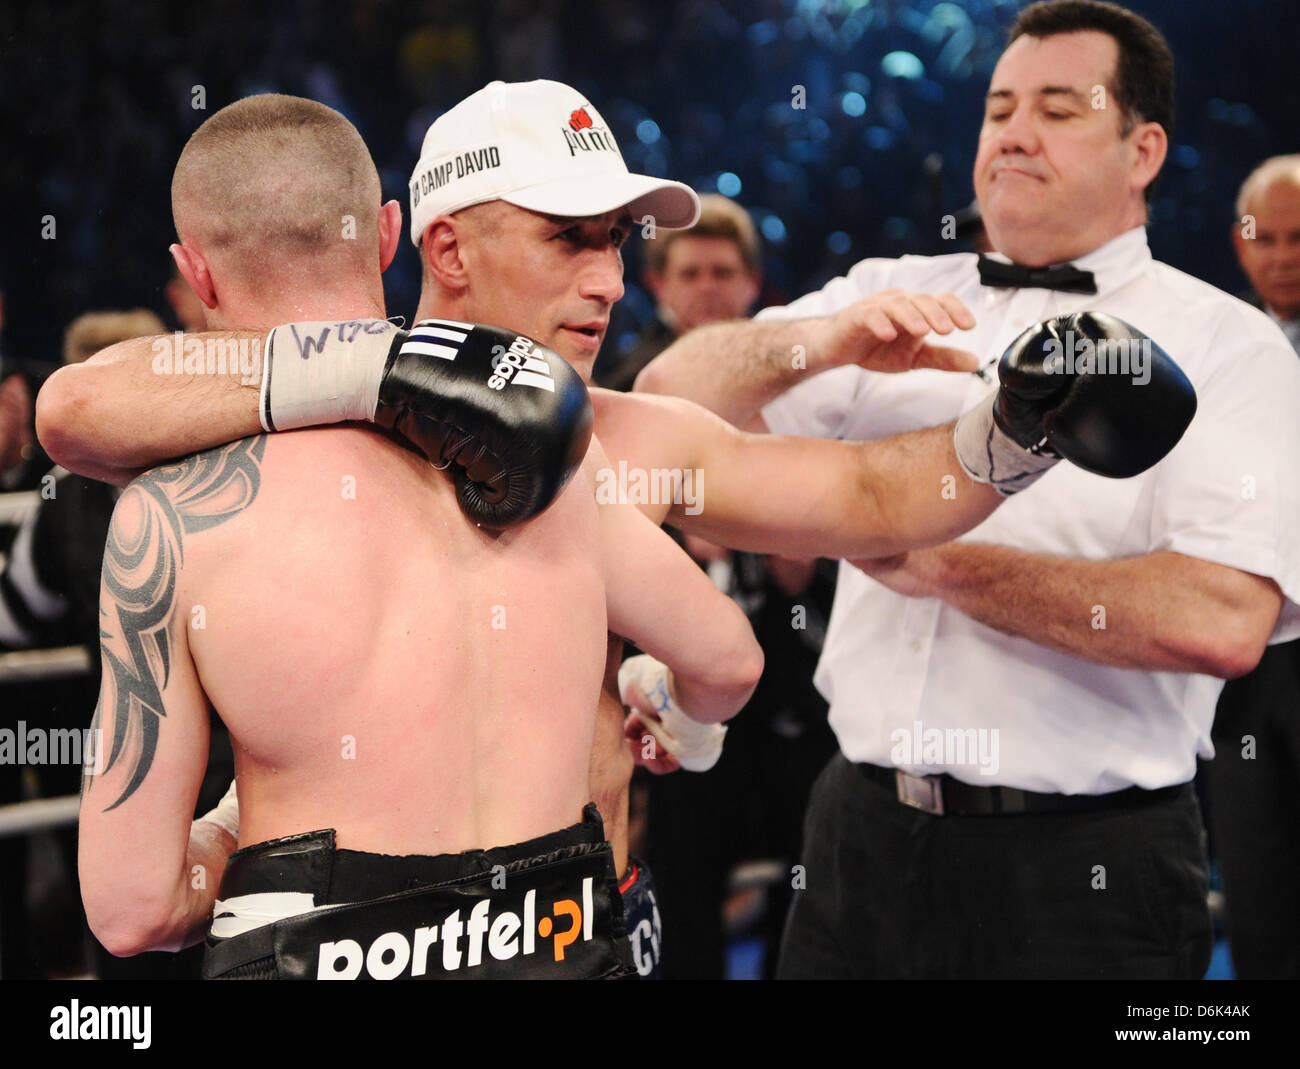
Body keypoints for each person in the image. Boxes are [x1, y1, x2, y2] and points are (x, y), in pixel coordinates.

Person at [42, 78, 1190, 980]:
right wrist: (409, 374)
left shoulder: (613, 440)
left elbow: (867, 500)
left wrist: (1017, 429)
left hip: (560, 933)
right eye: (565, 239)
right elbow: (76, 405)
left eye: (615, 243)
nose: (605, 280)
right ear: (423, 243)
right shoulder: (265, 425)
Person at [635, 0, 1300, 979]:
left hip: (1083, 870)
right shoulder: (891, 290)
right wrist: (820, 339)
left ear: (1142, 149)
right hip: (854, 831)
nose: (1013, 134)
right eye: (998, 109)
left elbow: (1224, 618)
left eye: (1059, 110)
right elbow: (664, 395)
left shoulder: (1225, 345)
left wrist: (939, 565)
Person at [73, 93, 766, 981]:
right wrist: (667, 708)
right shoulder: (547, 458)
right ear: (391, 235)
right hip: (566, 946)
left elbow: (132, 908)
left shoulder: (174, 514)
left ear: (194, 272)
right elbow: (731, 661)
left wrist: (246, 828)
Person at [1207, 153, 1300, 978]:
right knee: (1257, 888)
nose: (1282, 255)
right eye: (1264, 237)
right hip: (1238, 661)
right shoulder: (1216, 354)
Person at [596, 194, 761, 391]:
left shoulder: (791, 368)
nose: (707, 288)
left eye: (722, 273)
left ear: (753, 281)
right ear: (657, 285)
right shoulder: (631, 385)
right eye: (689, 275)